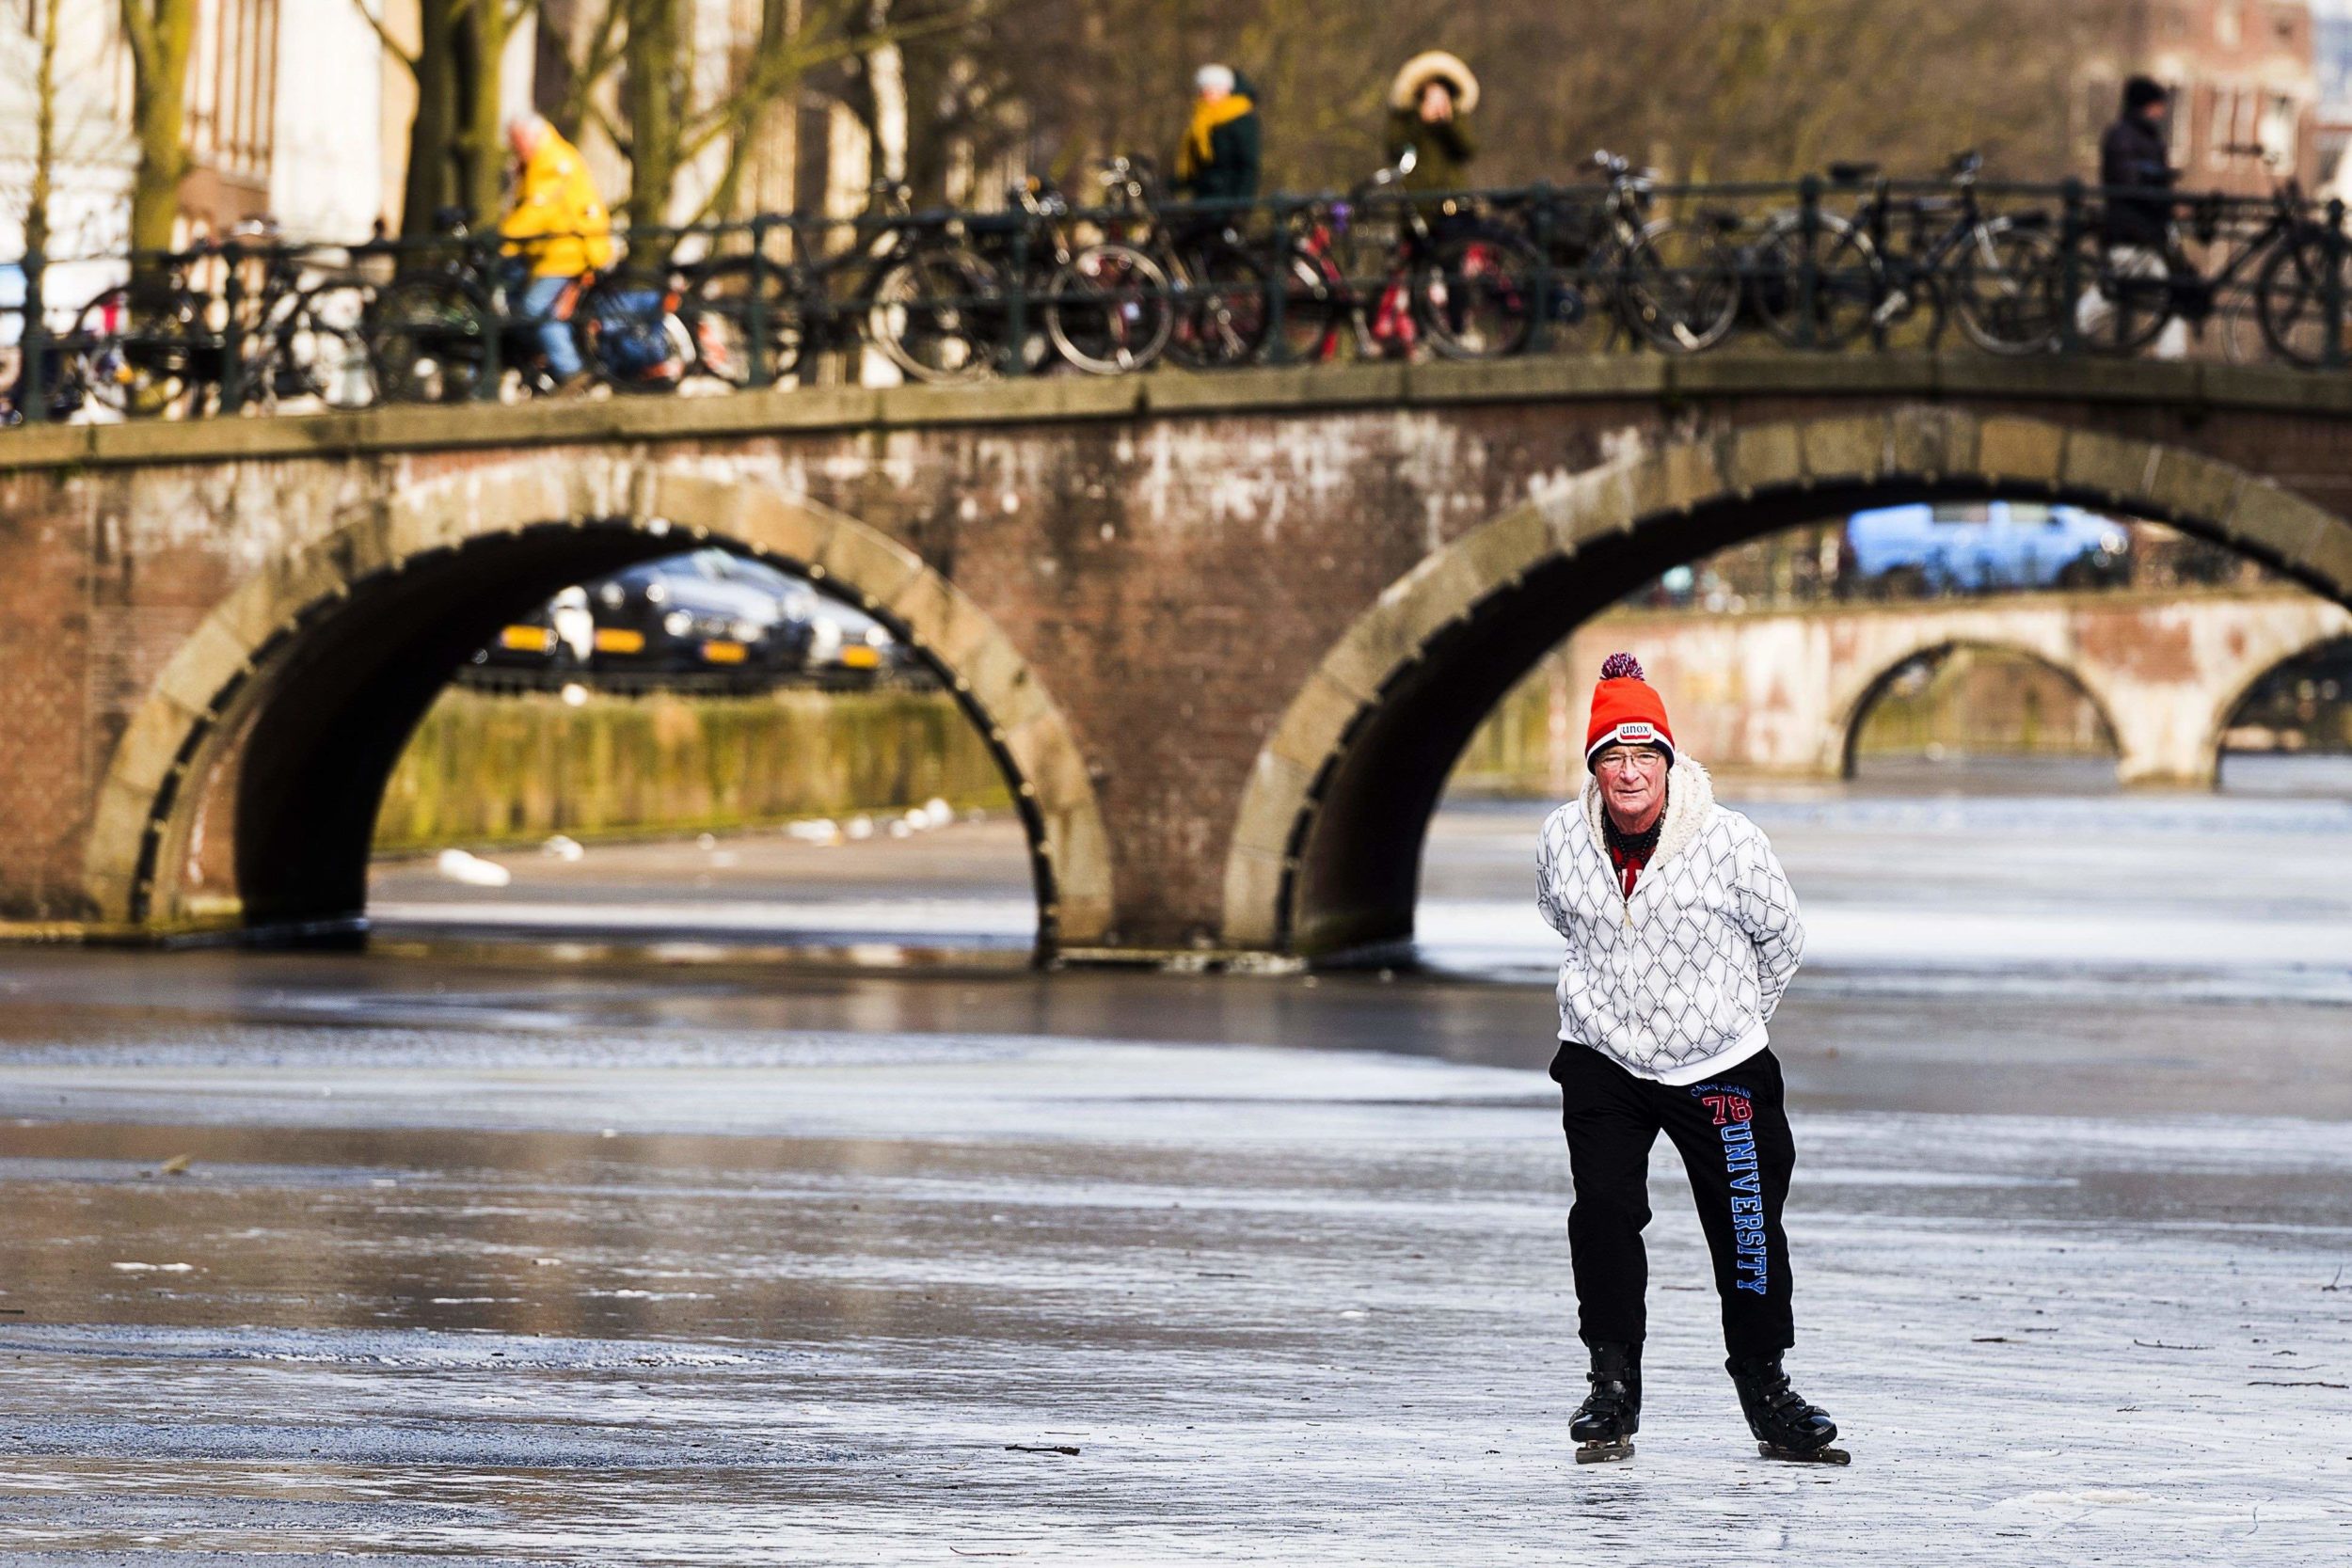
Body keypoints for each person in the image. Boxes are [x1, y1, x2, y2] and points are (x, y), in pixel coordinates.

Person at [1534, 653, 1845, 1466]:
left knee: (1746, 1226)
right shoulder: (1562, 839)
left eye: (1645, 756)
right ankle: (1611, 1387)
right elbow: (1560, 917)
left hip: (1720, 1066)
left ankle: (1766, 1385)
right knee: (1601, 1213)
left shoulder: (1730, 841)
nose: (1630, 772)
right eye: (1613, 757)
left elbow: (1784, 939)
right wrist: (1616, 1001)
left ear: (1668, 762)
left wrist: (1735, 1022)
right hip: (1603, 1057)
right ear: (1595, 767)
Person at [499, 113, 614, 393]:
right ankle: (538, 364)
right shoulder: (540, 161)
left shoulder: (550, 161)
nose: (515, 149)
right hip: (553, 252)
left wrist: (501, 242)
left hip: (568, 251)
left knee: (534, 308)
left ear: (529, 138)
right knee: (520, 301)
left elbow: (538, 211)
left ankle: (571, 371)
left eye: (517, 143)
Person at [2080, 76, 2187, 357]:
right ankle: (2066, 334)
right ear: (2146, 106)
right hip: (2131, 229)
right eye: (2157, 105)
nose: (2162, 112)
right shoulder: (2125, 137)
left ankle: (2067, 335)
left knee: (2159, 292)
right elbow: (2130, 183)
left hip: (2143, 230)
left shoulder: (2141, 136)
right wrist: (2164, 203)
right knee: (2115, 292)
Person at [1384, 51, 1479, 214]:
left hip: (1454, 198)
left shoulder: (1456, 116)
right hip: (1417, 201)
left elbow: (1468, 149)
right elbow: (1394, 148)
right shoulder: (1405, 116)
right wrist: (1421, 121)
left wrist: (1449, 122)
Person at [1172, 65, 1262, 209]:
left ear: (1225, 91)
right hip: (1203, 199)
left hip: (1227, 201)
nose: (1203, 96)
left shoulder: (1241, 120)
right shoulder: (1201, 123)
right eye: (1202, 91)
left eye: (1209, 91)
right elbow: (1194, 171)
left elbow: (1248, 168)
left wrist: (1240, 207)